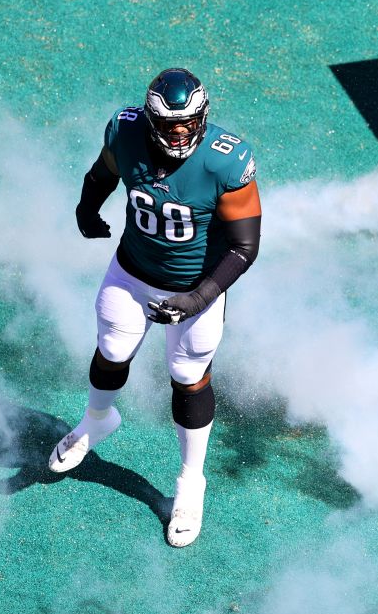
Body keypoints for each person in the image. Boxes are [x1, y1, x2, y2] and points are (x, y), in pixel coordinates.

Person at [47, 68, 261, 548]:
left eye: (189, 122)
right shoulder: (126, 131)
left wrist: (198, 298)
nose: (180, 132)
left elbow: (245, 246)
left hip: (195, 286)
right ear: (149, 119)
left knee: (188, 377)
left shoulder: (227, 161)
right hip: (131, 271)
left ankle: (191, 483)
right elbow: (102, 172)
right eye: (170, 124)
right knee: (110, 350)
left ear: (202, 117)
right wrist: (87, 207)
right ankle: (97, 420)